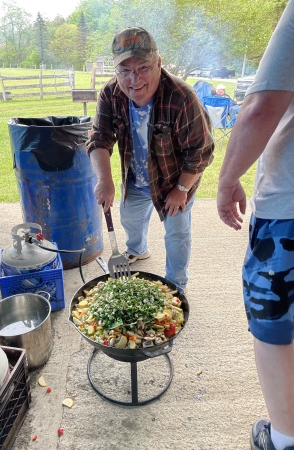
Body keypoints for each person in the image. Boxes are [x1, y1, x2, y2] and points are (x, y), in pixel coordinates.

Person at [217, 1, 294, 449]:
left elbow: (262, 106)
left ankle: (283, 438)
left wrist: (226, 182)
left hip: (288, 210)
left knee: (274, 321)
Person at [86, 26, 214, 295]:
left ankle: (176, 285)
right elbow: (99, 137)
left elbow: (201, 149)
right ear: (115, 70)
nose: (134, 79)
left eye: (143, 68)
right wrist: (104, 180)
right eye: (125, 71)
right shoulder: (110, 94)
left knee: (177, 234)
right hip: (136, 176)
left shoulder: (182, 97)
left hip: (175, 181)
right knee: (129, 218)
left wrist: (182, 190)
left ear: (158, 63)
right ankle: (138, 249)